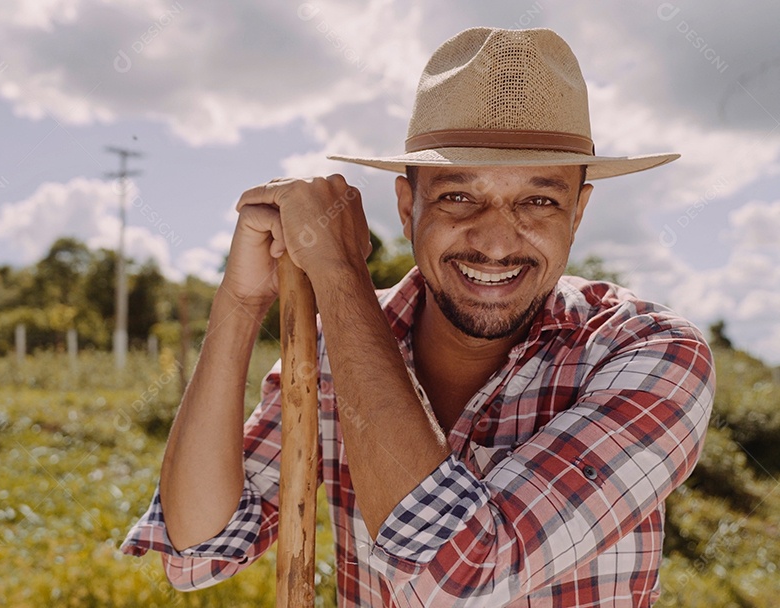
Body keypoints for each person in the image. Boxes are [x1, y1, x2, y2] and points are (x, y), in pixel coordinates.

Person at [122, 27, 715, 607]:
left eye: (539, 200)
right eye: (460, 196)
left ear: (578, 212)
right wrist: (242, 302)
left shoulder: (650, 353)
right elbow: (200, 550)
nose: (495, 241)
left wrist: (339, 273)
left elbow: (463, 579)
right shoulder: (331, 350)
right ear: (408, 206)